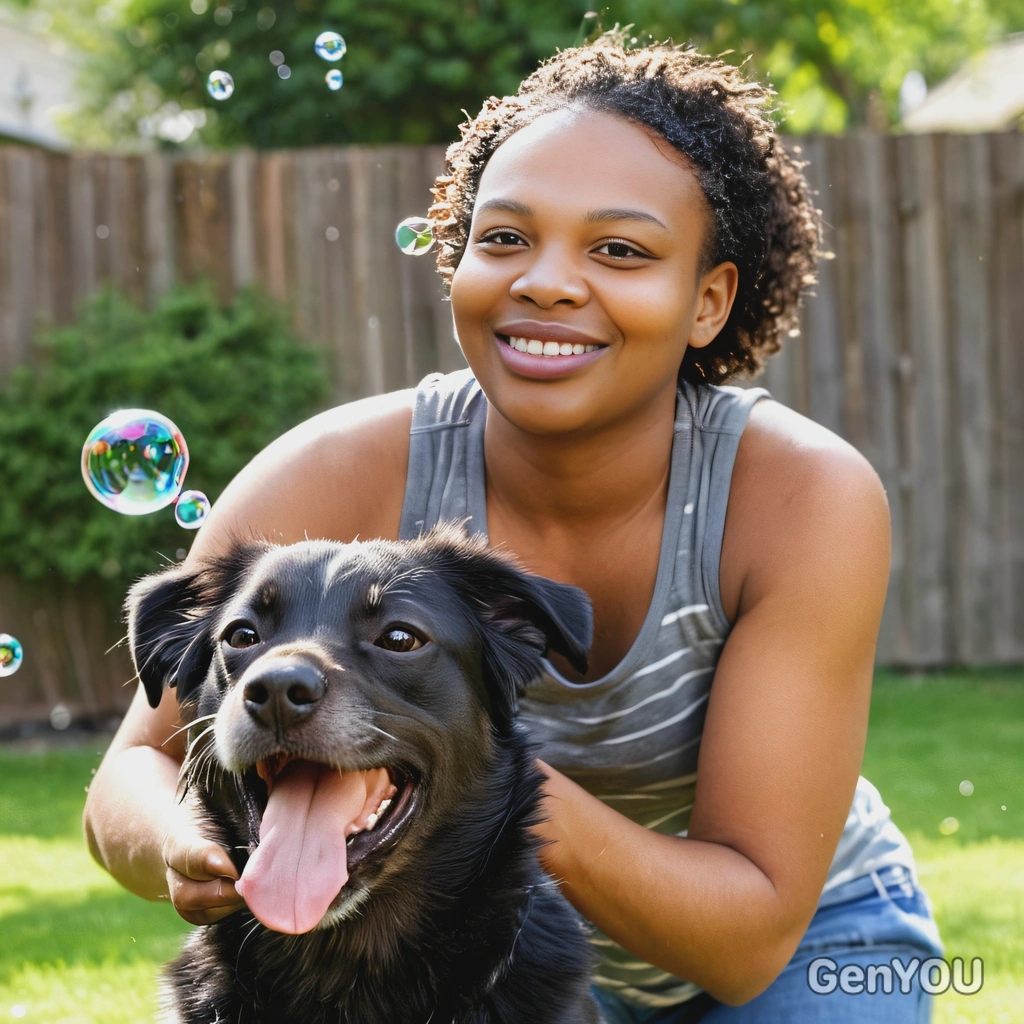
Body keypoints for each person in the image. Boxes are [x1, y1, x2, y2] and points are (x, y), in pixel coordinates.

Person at [83, 36, 944, 1023]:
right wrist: (186, 845)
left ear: (708, 300)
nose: (544, 280)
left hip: (803, 951)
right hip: (479, 960)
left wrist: (493, 791)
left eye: (618, 249)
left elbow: (748, 937)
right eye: (503, 239)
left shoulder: (798, 497)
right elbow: (134, 766)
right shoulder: (334, 472)